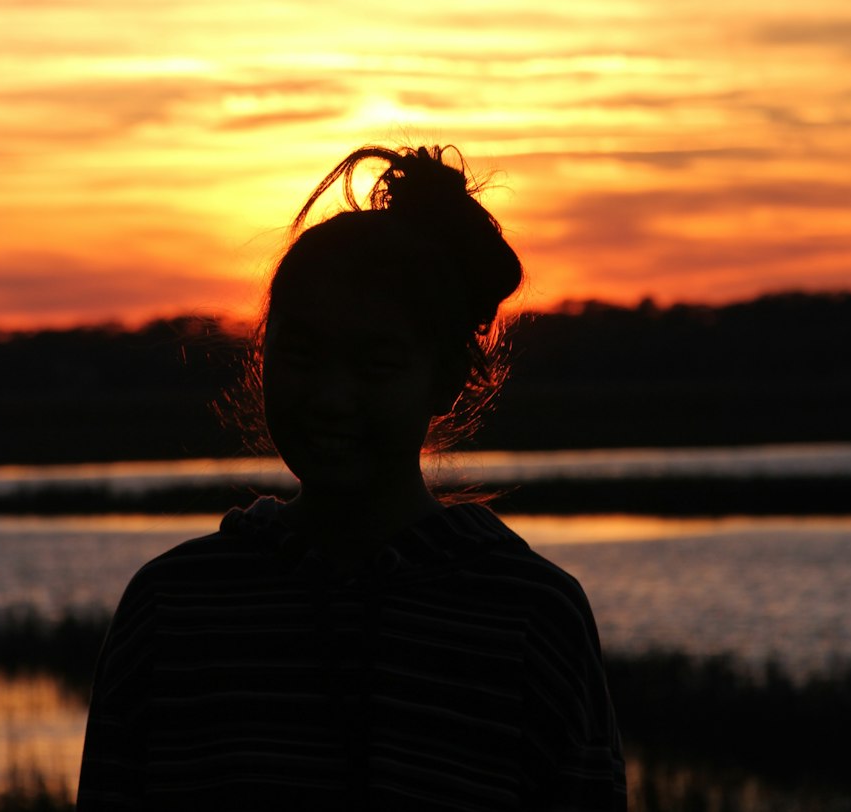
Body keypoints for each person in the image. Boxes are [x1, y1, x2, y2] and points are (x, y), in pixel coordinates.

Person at [77, 144, 627, 810]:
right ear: (263, 360)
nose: (332, 397)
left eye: (375, 365)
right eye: (303, 355)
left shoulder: (531, 615)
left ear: (448, 380)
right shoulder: (173, 606)